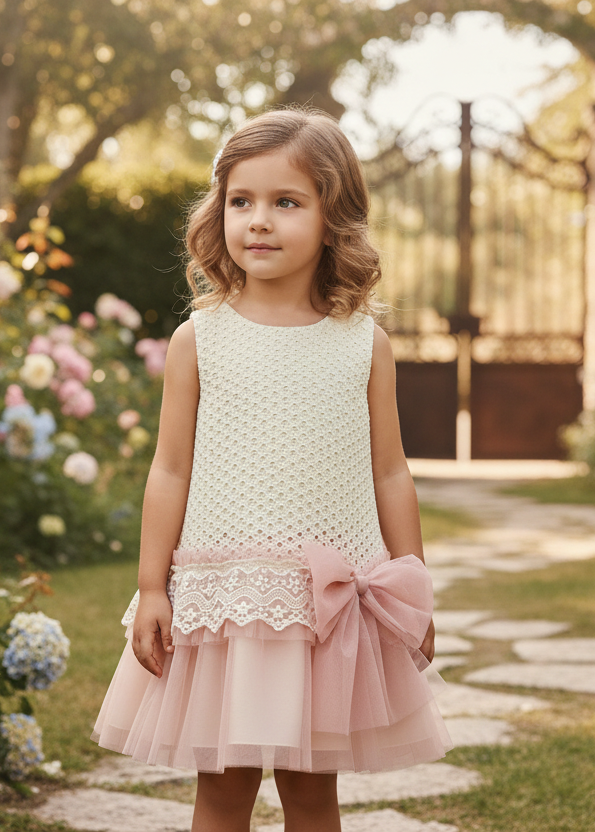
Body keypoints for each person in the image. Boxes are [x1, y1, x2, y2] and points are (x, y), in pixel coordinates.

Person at [91, 106, 452, 832]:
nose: (258, 219)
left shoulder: (362, 344)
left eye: (285, 202)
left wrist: (410, 582)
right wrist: (150, 585)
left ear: (332, 218)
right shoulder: (200, 339)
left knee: (311, 791)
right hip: (225, 603)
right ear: (218, 211)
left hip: (325, 614)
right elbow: (169, 470)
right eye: (240, 201)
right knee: (222, 789)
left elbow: (388, 470)